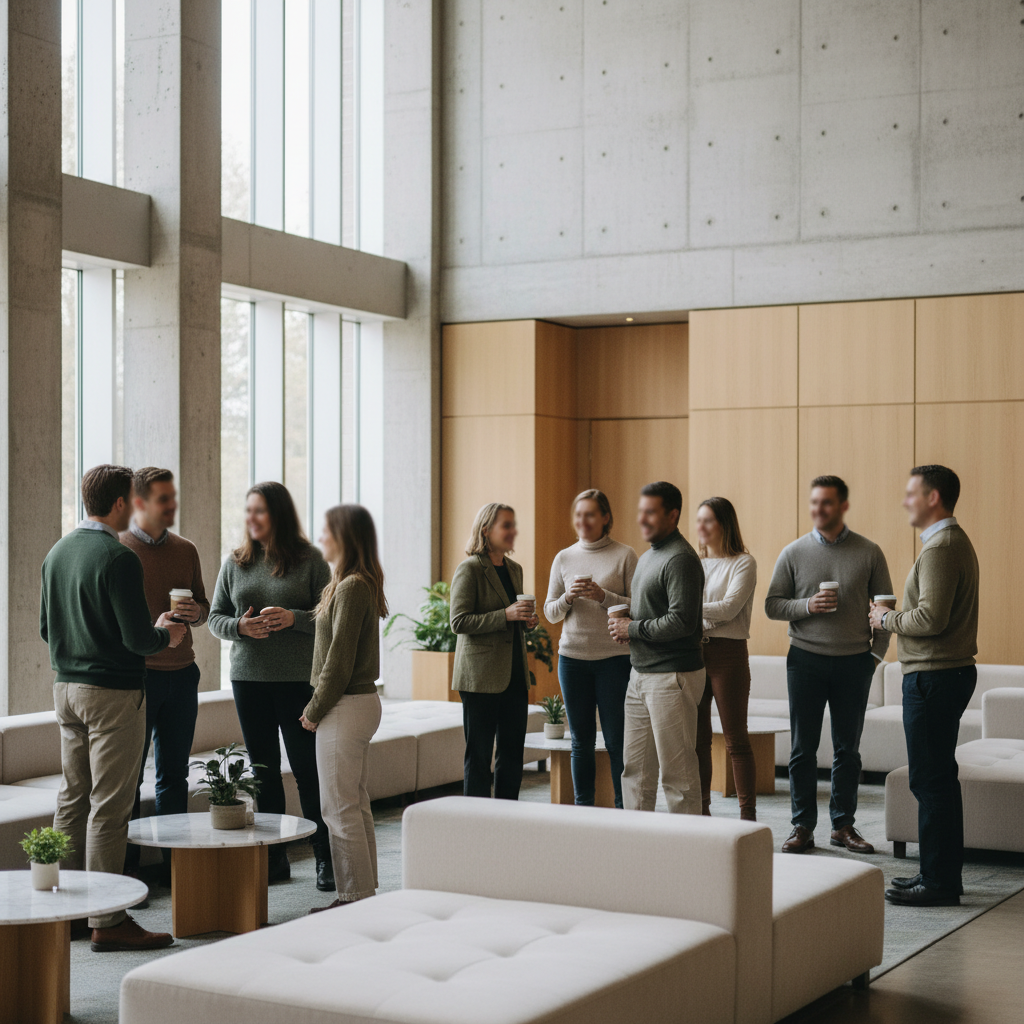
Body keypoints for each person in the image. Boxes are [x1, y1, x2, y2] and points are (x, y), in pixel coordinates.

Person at [40, 464, 184, 952]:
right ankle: (107, 918)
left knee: (72, 799)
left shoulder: (58, 552)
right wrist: (167, 633)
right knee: (110, 806)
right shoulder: (118, 557)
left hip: (66, 690)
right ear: (121, 503)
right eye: (134, 500)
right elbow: (139, 640)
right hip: (113, 695)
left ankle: (63, 912)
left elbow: (46, 628)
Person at [209, 482, 333, 889]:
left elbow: (331, 615)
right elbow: (215, 618)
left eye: (259, 510)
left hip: (298, 681)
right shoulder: (235, 562)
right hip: (249, 681)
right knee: (263, 772)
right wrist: (240, 627)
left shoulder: (311, 560)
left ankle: (324, 857)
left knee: (307, 771)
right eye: (248, 510)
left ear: (278, 514)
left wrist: (294, 618)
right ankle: (275, 858)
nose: (251, 518)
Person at [869, 466, 979, 907]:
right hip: (943, 675)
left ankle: (938, 883)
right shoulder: (947, 543)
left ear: (933, 497)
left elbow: (931, 618)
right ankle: (939, 873)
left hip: (934, 676)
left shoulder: (942, 547)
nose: (905, 501)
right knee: (938, 779)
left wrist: (885, 619)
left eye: (911, 493)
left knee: (930, 781)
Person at [765, 475, 892, 855]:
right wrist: (807, 605)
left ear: (842, 506)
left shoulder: (869, 552)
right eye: (814, 502)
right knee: (802, 749)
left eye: (826, 502)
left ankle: (843, 826)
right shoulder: (793, 552)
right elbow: (772, 605)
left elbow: (886, 607)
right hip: (805, 660)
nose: (818, 509)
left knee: (847, 750)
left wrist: (875, 656)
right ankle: (802, 826)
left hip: (854, 662)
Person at [121, 467, 210, 878]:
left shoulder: (186, 549)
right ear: (139, 502)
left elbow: (205, 606)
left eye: (173, 497)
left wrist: (196, 612)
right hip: (138, 678)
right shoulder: (119, 549)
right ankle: (126, 872)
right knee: (130, 777)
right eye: (163, 499)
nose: (172, 505)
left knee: (174, 775)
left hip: (183, 674)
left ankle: (174, 871)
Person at [300, 505, 387, 910]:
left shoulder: (352, 586)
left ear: (345, 537)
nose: (320, 537)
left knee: (337, 807)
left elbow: (338, 661)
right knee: (354, 803)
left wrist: (314, 708)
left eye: (326, 530)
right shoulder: (351, 583)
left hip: (346, 705)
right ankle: (363, 895)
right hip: (358, 704)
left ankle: (352, 898)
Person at [607, 481, 705, 814]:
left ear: (672, 515)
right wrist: (629, 626)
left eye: (650, 512)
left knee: (678, 778)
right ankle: (638, 840)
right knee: (635, 773)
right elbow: (654, 611)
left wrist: (632, 628)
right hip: (640, 674)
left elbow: (682, 621)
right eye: (641, 511)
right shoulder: (649, 556)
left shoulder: (681, 559)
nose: (642, 519)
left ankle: (690, 843)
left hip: (672, 677)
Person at [544, 489, 638, 807]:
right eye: (578, 514)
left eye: (590, 514)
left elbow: (640, 606)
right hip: (572, 659)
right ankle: (584, 810)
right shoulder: (564, 557)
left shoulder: (625, 555)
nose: (582, 521)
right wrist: (567, 597)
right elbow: (550, 613)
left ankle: (625, 810)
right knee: (580, 742)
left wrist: (603, 596)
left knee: (616, 741)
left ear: (605, 518)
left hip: (614, 660)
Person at [450, 503, 538, 800]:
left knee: (512, 757)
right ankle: (476, 821)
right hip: (480, 680)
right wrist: (506, 615)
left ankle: (506, 818)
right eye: (507, 525)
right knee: (479, 758)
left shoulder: (515, 569)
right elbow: (458, 622)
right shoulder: (470, 569)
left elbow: (513, 621)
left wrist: (527, 621)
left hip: (515, 677)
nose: (513, 531)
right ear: (486, 530)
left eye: (513, 525)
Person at [693, 497, 758, 821]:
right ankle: (702, 813)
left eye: (707, 520)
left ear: (724, 524)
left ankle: (748, 817)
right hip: (693, 653)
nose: (700, 527)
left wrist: (688, 612)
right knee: (698, 741)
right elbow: (713, 612)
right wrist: (702, 616)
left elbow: (730, 608)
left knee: (736, 739)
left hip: (728, 655)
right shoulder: (694, 563)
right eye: (698, 520)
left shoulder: (743, 563)